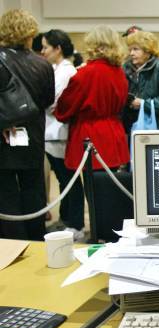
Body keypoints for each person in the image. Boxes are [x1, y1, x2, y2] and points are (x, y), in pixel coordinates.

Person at [55, 25, 130, 240]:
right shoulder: (119, 72)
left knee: (93, 191)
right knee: (110, 188)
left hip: (91, 135)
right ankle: (112, 230)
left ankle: (99, 231)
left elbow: (64, 108)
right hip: (113, 133)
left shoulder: (85, 74)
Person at [0, 9, 54, 240]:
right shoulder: (43, 65)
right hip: (33, 133)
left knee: (6, 192)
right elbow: (48, 100)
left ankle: (12, 241)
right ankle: (35, 238)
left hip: (3, 134)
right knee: (34, 187)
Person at [41, 29, 80, 233]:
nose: (43, 51)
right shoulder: (56, 69)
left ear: (58, 48)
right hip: (51, 134)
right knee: (63, 181)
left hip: (60, 134)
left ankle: (75, 223)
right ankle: (67, 219)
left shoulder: (67, 71)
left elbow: (52, 103)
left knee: (69, 181)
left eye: (46, 47)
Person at [122, 31, 159, 132]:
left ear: (148, 51)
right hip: (130, 127)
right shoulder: (125, 69)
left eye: (136, 49)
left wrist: (144, 104)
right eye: (130, 50)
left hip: (157, 127)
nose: (131, 53)